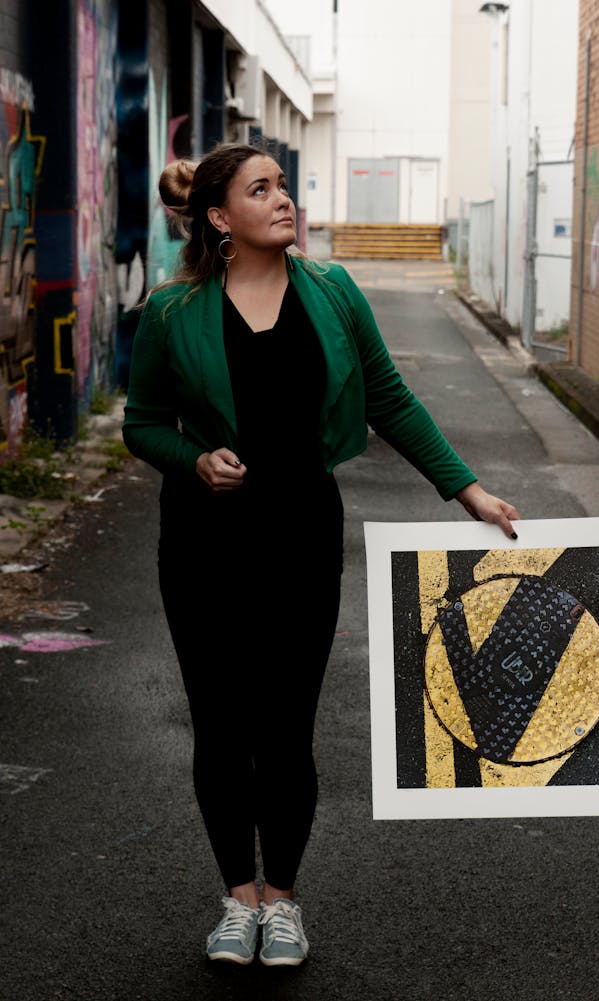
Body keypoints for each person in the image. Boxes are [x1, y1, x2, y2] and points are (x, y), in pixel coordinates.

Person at [122, 142, 520, 969]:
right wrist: (192, 460)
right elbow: (143, 421)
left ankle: (285, 900)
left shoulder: (333, 293)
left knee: (287, 730)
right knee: (222, 728)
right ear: (222, 218)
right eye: (260, 190)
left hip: (302, 536)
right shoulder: (171, 312)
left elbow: (389, 394)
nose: (284, 200)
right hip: (202, 544)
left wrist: (468, 490)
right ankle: (237, 898)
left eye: (284, 186)